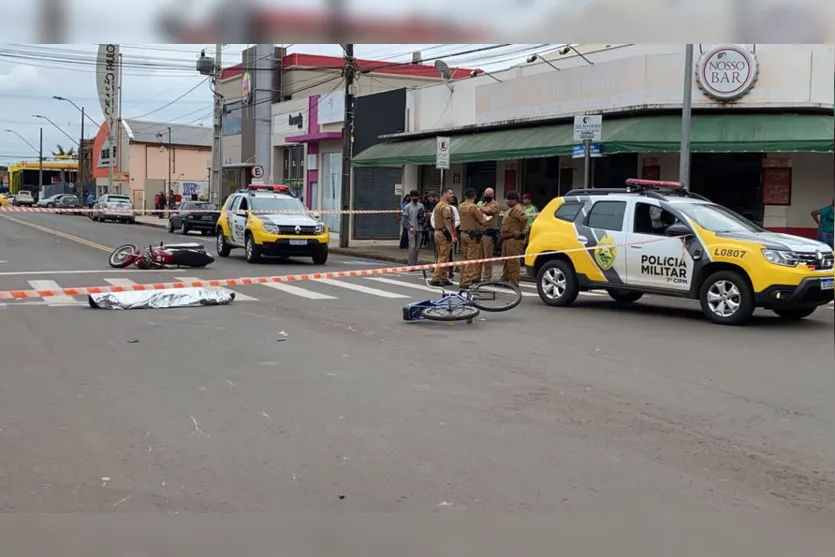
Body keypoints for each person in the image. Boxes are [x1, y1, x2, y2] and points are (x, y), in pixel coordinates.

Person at [458, 188, 488, 289]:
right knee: (471, 259)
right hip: (473, 236)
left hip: (463, 233)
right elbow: (482, 220)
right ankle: (467, 281)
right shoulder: (473, 207)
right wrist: (485, 217)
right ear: (474, 197)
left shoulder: (461, 206)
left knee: (465, 257)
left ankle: (462, 279)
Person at [430, 187, 457, 286]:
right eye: (450, 193)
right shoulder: (445, 207)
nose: (452, 195)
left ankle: (443, 277)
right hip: (443, 234)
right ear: (444, 194)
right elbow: (447, 222)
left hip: (437, 232)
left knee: (441, 256)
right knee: (443, 256)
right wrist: (453, 235)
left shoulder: (438, 205)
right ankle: (435, 278)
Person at [500, 191, 527, 286]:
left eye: (509, 199)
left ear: (514, 200)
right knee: (506, 261)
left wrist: (520, 231)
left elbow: (524, 218)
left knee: (513, 262)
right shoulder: (510, 209)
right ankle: (505, 279)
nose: (507, 201)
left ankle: (514, 282)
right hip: (507, 238)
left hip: (513, 239)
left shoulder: (517, 209)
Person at [477, 187, 500, 281]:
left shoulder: (495, 205)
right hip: (480, 233)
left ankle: (486, 277)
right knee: (478, 257)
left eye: (489, 195)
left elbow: (488, 211)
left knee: (487, 257)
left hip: (489, 234)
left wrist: (478, 208)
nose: (487, 196)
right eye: (486, 194)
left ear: (493, 195)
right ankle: (476, 276)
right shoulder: (483, 203)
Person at [402, 190, 425, 266]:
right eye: (413, 197)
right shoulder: (407, 207)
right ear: (411, 197)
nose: (415, 198)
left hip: (420, 228)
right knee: (412, 247)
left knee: (417, 247)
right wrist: (409, 227)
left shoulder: (421, 206)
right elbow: (404, 219)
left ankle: (415, 262)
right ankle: (411, 263)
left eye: (417, 197)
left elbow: (422, 216)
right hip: (411, 229)